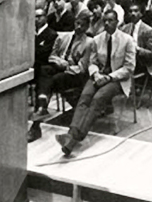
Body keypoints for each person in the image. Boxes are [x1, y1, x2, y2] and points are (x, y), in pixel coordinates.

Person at [55, 10, 136, 157]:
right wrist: (96, 74)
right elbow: (92, 62)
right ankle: (72, 133)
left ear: (117, 22)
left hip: (117, 79)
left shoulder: (127, 40)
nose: (106, 23)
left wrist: (109, 77)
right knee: (85, 97)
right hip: (98, 76)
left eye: (110, 20)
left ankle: (73, 140)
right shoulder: (97, 40)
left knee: (98, 98)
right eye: (104, 20)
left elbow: (129, 68)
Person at [29, 12, 94, 142]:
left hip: (75, 75)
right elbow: (52, 56)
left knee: (51, 80)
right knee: (44, 70)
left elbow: (82, 68)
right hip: (61, 67)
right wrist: (61, 62)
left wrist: (66, 66)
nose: (78, 27)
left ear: (87, 27)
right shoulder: (64, 37)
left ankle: (36, 124)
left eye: (82, 25)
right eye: (77, 23)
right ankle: (42, 107)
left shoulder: (89, 43)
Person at [120, 2, 152, 76]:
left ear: (141, 14)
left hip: (141, 60)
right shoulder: (124, 28)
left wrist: (138, 49)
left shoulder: (148, 30)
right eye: (130, 11)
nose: (133, 13)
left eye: (136, 11)